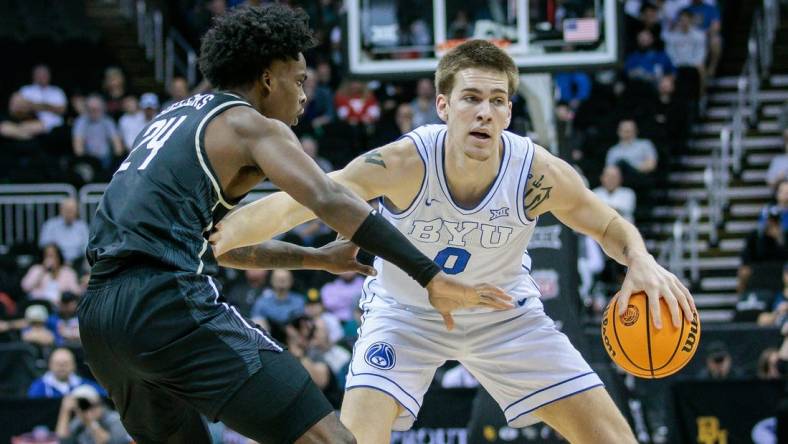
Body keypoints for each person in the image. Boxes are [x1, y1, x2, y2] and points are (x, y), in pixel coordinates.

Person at [211, 39, 697, 443]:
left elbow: (608, 224)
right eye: (471, 98)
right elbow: (304, 198)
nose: (484, 112)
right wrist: (216, 234)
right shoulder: (406, 162)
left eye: (497, 100)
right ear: (443, 105)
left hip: (502, 314)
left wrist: (641, 259)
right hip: (404, 315)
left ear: (509, 110)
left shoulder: (536, 172)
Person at [77, 5, 507, 444]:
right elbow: (328, 198)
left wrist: (314, 258)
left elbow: (218, 246)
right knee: (332, 440)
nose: (304, 95)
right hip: (163, 303)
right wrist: (429, 274)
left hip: (99, 321)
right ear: (267, 78)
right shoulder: (249, 124)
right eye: (299, 81)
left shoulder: (172, 119)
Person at [55, 384, 131, 444]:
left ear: (99, 403)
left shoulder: (114, 419)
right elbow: (63, 440)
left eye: (89, 405)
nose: (88, 409)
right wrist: (65, 411)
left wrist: (90, 423)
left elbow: (108, 442)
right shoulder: (80, 421)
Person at [28, 348, 104, 398]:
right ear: (50, 365)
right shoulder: (39, 386)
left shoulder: (85, 385)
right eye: (57, 364)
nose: (61, 367)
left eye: (65, 363)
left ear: (74, 365)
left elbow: (104, 398)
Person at [38, 197, 90, 265]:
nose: (69, 213)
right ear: (61, 210)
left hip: (77, 262)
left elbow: (87, 248)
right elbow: (44, 245)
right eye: (67, 210)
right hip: (56, 262)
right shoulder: (50, 225)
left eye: (72, 210)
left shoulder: (82, 227)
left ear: (77, 211)